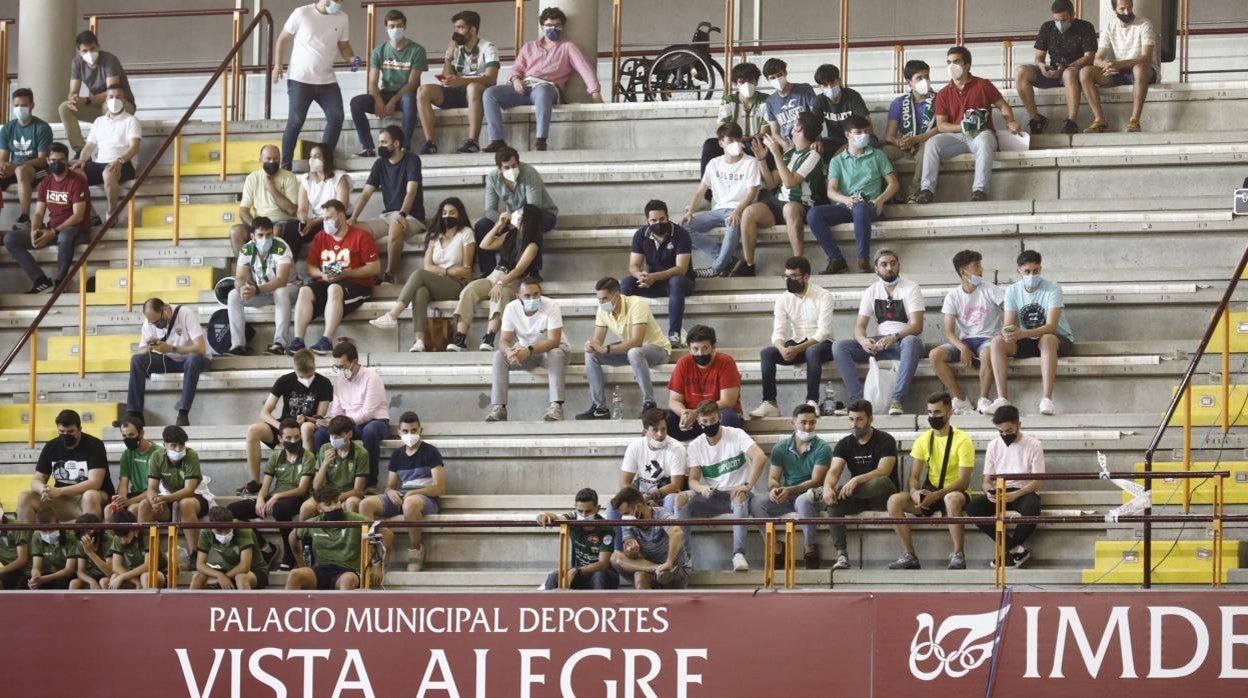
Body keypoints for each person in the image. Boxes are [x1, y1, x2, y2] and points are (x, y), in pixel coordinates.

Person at [481, 6, 602, 153]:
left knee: (543, 91)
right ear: (542, 26)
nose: (553, 28)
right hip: (524, 86)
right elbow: (517, 68)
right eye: (549, 25)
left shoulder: (567, 47)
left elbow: (585, 68)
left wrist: (595, 92)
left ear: (562, 27)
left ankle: (541, 141)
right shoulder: (529, 47)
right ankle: (497, 140)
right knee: (490, 93)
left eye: (557, 25)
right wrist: (515, 79)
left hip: (547, 87)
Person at [914, 46, 1022, 204]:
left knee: (985, 140)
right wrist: (964, 126)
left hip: (981, 134)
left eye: (956, 61)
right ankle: (926, 190)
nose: (951, 66)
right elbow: (942, 125)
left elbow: (1002, 105)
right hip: (956, 137)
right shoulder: (943, 93)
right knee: (932, 142)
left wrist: (1010, 121)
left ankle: (979, 191)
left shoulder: (983, 85)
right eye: (948, 62)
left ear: (967, 65)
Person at [370, 197, 476, 352]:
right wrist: (448, 270)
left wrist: (447, 272)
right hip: (438, 281)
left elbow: (465, 271)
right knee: (420, 291)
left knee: (420, 274)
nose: (448, 216)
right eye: (444, 213)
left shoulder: (466, 233)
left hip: (456, 284)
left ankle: (393, 315)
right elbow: (428, 265)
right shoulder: (435, 236)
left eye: (452, 212)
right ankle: (419, 341)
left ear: (460, 215)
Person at [886, 392, 974, 570]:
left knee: (952, 499)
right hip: (930, 493)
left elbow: (963, 482)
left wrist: (936, 495)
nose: (932, 417)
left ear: (949, 413)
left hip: (954, 492)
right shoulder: (923, 440)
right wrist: (914, 492)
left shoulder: (963, 440)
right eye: (930, 412)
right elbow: (914, 477)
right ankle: (909, 555)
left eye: (937, 412)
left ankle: (958, 554)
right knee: (894, 500)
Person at [831, 249, 925, 416]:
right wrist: (863, 341)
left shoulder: (911, 288)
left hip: (902, 342)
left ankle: (897, 400)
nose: (889, 268)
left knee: (912, 341)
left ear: (898, 266)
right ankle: (857, 402)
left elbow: (917, 326)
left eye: (893, 263)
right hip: (880, 343)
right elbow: (859, 326)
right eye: (884, 264)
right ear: (876, 269)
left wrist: (895, 337)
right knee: (839, 347)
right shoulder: (871, 291)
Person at [677, 400, 768, 572]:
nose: (709, 425)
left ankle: (738, 554)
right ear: (699, 422)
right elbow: (693, 480)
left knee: (739, 495)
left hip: (739, 493)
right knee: (680, 499)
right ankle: (685, 558)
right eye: (704, 422)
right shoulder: (696, 445)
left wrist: (748, 485)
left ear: (720, 417)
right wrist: (702, 489)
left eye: (712, 420)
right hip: (714, 496)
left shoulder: (736, 434)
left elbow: (760, 457)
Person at [806, 115, 899, 274]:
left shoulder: (877, 155)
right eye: (858, 132)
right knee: (814, 214)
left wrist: (881, 199)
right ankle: (836, 259)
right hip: (846, 205)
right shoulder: (837, 161)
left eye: (865, 131)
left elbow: (893, 183)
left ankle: (863, 260)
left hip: (870, 205)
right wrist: (846, 199)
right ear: (847, 134)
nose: (863, 135)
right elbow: (831, 190)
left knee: (860, 208)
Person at [988, 249, 1075, 416]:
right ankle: (1002, 399)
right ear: (1018, 271)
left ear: (1040, 269)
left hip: (1057, 340)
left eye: (1036, 271)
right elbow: (1008, 323)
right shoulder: (1012, 290)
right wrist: (1008, 333)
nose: (1032, 275)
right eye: (1027, 271)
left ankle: (1047, 399)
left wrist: (1021, 334)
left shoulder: (1053, 289)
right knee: (997, 342)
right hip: (1028, 339)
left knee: (1047, 339)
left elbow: (1051, 327)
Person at [274, 0, 358, 171]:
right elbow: (282, 39)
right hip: (300, 78)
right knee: (296, 120)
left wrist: (351, 58)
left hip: (327, 79)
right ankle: (285, 165)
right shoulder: (302, 13)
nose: (338, 3)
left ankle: (324, 159)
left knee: (336, 117)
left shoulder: (342, 18)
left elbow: (344, 45)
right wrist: (278, 65)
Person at [290, 199, 381, 354]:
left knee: (334, 288)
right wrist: (322, 275)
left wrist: (346, 273)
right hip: (327, 281)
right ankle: (298, 340)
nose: (325, 222)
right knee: (305, 291)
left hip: (356, 285)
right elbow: (311, 268)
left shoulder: (361, 236)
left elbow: (375, 268)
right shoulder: (320, 237)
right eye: (323, 218)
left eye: (328, 218)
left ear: (341, 217)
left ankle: (326, 340)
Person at [749, 256, 835, 419]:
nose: (789, 280)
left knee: (812, 352)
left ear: (806, 276)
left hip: (823, 344)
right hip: (797, 342)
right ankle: (770, 403)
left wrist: (797, 349)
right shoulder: (783, 299)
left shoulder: (824, 295)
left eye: (794, 276)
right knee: (767, 353)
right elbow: (778, 332)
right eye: (787, 276)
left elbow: (824, 332)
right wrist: (782, 348)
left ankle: (811, 401)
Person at [359, 412, 445, 572]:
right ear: (399, 432)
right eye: (405, 431)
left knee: (410, 504)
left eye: (414, 430)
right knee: (365, 504)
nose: (410, 434)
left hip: (425, 498)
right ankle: (373, 554)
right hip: (402, 495)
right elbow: (390, 485)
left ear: (421, 430)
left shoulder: (431, 452)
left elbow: (439, 488)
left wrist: (413, 493)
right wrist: (390, 491)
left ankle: (415, 550)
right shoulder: (397, 455)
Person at [239, 349, 332, 495]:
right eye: (302, 376)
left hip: (306, 425)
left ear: (314, 367)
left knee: (307, 427)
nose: (306, 379)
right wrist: (280, 427)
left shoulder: (324, 383)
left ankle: (305, 478)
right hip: (285, 424)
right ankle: (255, 481)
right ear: (295, 369)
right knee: (253, 430)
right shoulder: (285, 380)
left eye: (309, 375)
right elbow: (264, 412)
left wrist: (307, 418)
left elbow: (320, 417)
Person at [452, 203, 543, 352]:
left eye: (519, 212)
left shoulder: (532, 245)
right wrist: (499, 224)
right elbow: (484, 244)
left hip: (511, 281)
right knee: (469, 290)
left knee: (499, 296)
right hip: (494, 275)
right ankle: (460, 338)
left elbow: (519, 269)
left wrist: (501, 283)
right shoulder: (510, 235)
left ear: (526, 219)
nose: (515, 214)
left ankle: (489, 337)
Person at [821, 399, 900, 571]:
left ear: (870, 419)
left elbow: (883, 471)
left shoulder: (886, 440)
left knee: (879, 482)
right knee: (833, 502)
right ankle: (841, 554)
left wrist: (855, 480)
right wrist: (828, 487)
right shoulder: (845, 443)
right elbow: (834, 471)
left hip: (883, 496)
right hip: (859, 497)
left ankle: (823, 493)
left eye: (859, 419)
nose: (854, 424)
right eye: (851, 419)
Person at [229, 418, 316, 570]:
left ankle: (289, 554)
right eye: (288, 438)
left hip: (296, 498)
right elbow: (266, 484)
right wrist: (260, 499)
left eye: (296, 437)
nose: (293, 441)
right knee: (232, 509)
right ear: (280, 439)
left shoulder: (307, 456)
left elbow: (302, 489)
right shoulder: (276, 457)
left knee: (280, 509)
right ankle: (265, 548)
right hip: (276, 497)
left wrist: (276, 496)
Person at [578, 277, 671, 419]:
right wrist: (591, 345)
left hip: (657, 350)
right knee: (591, 355)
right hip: (631, 353)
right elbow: (598, 339)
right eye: (599, 299)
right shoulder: (602, 310)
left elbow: (637, 341)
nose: (601, 303)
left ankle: (649, 403)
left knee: (634, 352)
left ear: (616, 295)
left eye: (604, 299)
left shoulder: (637, 304)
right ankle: (600, 407)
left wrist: (608, 349)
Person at [3, 142, 91, 293]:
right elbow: (38, 213)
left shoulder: (77, 181)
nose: (56, 164)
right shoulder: (46, 181)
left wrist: (54, 231)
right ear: (48, 161)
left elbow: (78, 216)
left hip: (76, 231)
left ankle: (60, 281)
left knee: (65, 235)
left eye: (61, 160)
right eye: (53, 160)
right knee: (10, 239)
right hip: (52, 230)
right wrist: (34, 229)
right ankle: (40, 280)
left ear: (67, 160)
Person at [740, 112, 824, 268]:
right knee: (749, 212)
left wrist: (776, 153)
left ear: (799, 128)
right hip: (777, 203)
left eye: (795, 123)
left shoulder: (813, 155)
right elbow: (771, 184)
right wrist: (761, 159)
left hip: (800, 204)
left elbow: (790, 182)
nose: (792, 127)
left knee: (790, 208)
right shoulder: (790, 152)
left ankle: (798, 263)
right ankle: (749, 264)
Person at [750, 404, 829, 569]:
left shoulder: (823, 448)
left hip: (813, 495)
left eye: (812, 423)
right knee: (756, 502)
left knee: (803, 501)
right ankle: (776, 547)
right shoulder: (780, 448)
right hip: (788, 494)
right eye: (803, 422)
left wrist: (789, 490)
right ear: (793, 423)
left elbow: (816, 481)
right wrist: (774, 489)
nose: (808, 427)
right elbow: (773, 478)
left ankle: (809, 547)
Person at [966, 405, 1045, 568]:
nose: (1004, 435)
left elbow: (1037, 482)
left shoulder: (1034, 445)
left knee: (1032, 509)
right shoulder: (993, 445)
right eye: (1000, 432)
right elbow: (986, 481)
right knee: (973, 508)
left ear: (1019, 425)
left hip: (1024, 492)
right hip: (1000, 491)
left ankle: (1010, 552)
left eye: (1008, 431)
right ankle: (1015, 549)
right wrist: (989, 491)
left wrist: (1015, 495)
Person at [680, 122, 761, 278]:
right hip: (717, 210)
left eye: (738, 140)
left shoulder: (750, 162)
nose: (736, 144)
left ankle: (717, 267)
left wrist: (738, 211)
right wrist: (690, 212)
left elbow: (752, 192)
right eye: (730, 140)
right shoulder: (714, 163)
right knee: (683, 228)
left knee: (732, 224)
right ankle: (727, 260)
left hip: (739, 210)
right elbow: (700, 191)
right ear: (721, 143)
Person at [931, 250, 1004, 416]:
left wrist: (1006, 330)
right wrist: (962, 348)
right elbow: (949, 332)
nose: (981, 269)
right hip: (965, 341)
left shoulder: (990, 289)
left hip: (988, 338)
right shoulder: (953, 296)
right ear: (963, 271)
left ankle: (983, 399)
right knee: (935, 355)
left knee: (987, 353)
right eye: (976, 265)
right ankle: (961, 398)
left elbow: (1009, 309)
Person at [349, 125, 425, 283]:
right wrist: (353, 218)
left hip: (411, 216)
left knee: (396, 226)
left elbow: (411, 192)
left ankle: (389, 274)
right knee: (351, 229)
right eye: (379, 142)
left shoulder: (412, 160)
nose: (380, 146)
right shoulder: (379, 164)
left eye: (384, 142)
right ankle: (366, 273)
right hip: (387, 216)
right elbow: (365, 194)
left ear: (396, 144)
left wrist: (402, 215)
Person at [486, 276, 568, 422]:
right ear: (518, 296)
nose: (532, 298)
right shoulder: (511, 308)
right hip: (527, 352)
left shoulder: (552, 306)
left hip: (553, 352)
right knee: (499, 356)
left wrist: (528, 350)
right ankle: (499, 408)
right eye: (527, 296)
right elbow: (503, 341)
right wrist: (509, 351)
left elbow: (554, 341)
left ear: (540, 293)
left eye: (536, 294)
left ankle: (556, 406)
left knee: (555, 353)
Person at [417, 10, 500, 154]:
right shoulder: (455, 48)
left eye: (460, 28)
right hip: (457, 91)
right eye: (455, 28)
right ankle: (429, 142)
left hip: (478, 93)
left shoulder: (488, 47)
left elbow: (491, 78)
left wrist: (462, 81)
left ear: (472, 30)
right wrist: (448, 58)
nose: (456, 32)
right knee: (422, 90)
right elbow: (446, 78)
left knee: (472, 87)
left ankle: (472, 142)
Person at [312, 342, 390, 486]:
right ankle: (325, 479)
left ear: (354, 362)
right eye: (336, 367)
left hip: (375, 421)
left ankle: (370, 482)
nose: (340, 370)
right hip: (349, 424)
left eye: (342, 366)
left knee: (370, 432)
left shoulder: (371, 378)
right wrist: (329, 421)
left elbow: (368, 412)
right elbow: (336, 411)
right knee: (320, 433)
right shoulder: (339, 382)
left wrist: (342, 422)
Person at [1016, 0, 1097, 135]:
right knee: (1020, 71)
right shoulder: (1047, 27)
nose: (1060, 23)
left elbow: (1089, 56)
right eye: (1056, 20)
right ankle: (1035, 119)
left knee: (1068, 74)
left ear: (1073, 15)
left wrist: (1067, 67)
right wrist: (1042, 67)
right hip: (1053, 70)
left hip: (1074, 70)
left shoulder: (1085, 27)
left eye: (1064, 19)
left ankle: (1071, 121)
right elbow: (1039, 57)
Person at [351, 10, 425, 157]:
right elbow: (372, 82)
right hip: (385, 94)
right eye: (391, 26)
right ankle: (368, 147)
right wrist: (378, 100)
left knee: (410, 98)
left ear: (404, 27)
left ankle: (404, 147)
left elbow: (412, 83)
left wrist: (392, 101)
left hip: (405, 96)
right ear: (386, 28)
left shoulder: (417, 50)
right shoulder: (379, 51)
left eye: (399, 25)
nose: (395, 29)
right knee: (356, 103)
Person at [126, 297, 210, 427]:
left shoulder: (185, 314)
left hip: (197, 361)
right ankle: (134, 414)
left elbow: (200, 348)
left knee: (192, 358)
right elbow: (141, 351)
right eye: (152, 322)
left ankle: (183, 413)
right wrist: (150, 347)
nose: (156, 324)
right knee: (137, 360)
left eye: (158, 321)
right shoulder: (149, 323)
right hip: (171, 361)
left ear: (165, 309)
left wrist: (171, 348)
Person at [17, 409, 113, 523]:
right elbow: (37, 479)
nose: (66, 435)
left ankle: (89, 539)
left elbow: (95, 483)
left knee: (90, 495)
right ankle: (23, 540)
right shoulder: (51, 446)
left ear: (79, 429)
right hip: (62, 498)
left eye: (70, 431)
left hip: (88, 497)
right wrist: (42, 489)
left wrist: (60, 491)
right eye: (62, 431)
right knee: (25, 497)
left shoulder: (94, 445)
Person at [620, 200, 694, 347]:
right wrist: (640, 275)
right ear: (647, 220)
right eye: (653, 220)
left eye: (661, 219)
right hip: (653, 282)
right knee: (626, 284)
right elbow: (633, 265)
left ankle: (674, 335)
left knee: (676, 282)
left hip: (681, 282)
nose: (658, 223)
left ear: (667, 216)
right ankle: (630, 336)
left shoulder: (681, 234)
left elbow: (681, 269)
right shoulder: (641, 235)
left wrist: (654, 277)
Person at [473, 147, 557, 275]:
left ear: (518, 162)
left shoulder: (529, 173)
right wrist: (504, 220)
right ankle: (488, 271)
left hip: (543, 214)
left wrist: (513, 220)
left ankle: (534, 271)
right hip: (513, 218)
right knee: (482, 225)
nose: (511, 170)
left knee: (532, 222)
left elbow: (533, 207)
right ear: (499, 168)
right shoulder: (492, 178)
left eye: (514, 165)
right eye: (506, 167)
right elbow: (489, 210)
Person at [289, 485, 391, 590]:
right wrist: (301, 564)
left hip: (348, 571)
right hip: (321, 570)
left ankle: (342, 606)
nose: (334, 507)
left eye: (336, 502)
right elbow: (292, 537)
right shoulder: (313, 523)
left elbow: (387, 533)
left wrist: (380, 565)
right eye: (328, 504)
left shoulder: (355, 519)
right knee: (294, 575)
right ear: (320, 509)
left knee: (347, 580)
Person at [1080, 0, 1158, 134]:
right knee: (1085, 72)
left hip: (1144, 71)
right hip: (1119, 70)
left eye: (1129, 8)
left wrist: (1120, 64)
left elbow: (1146, 58)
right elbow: (1097, 58)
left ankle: (1134, 121)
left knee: (1139, 68)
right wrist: (1106, 64)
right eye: (1122, 9)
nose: (1127, 12)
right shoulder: (1110, 26)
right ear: (1114, 8)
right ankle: (1100, 120)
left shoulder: (1144, 24)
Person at [224, 217, 299, 356]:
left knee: (280, 291)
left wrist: (256, 289)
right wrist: (242, 288)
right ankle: (238, 344)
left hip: (290, 289)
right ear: (252, 236)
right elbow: (239, 277)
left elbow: (281, 280)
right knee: (233, 295)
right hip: (263, 292)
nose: (265, 239)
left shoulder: (280, 246)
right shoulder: (247, 249)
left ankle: (279, 344)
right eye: (260, 235)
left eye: (269, 234)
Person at [141, 425, 214, 559]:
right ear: (164, 445)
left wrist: (163, 500)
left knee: (185, 504)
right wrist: (154, 500)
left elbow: (189, 490)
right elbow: (151, 488)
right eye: (173, 445)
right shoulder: (156, 457)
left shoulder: (191, 455)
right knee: (145, 505)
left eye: (181, 445)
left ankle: (194, 555)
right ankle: (148, 555)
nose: (178, 449)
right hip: (168, 497)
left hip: (196, 496)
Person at [58, 30, 136, 154]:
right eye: (85, 51)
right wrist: (73, 99)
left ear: (98, 46)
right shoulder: (77, 63)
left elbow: (112, 93)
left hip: (123, 105)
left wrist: (88, 100)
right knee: (65, 108)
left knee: (108, 105)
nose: (90, 53)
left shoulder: (110, 60)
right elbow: (73, 91)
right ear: (79, 51)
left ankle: (106, 149)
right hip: (98, 107)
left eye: (92, 49)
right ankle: (80, 150)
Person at [71, 84, 140, 217]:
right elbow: (89, 146)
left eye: (118, 97)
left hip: (123, 163)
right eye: (111, 97)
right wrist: (81, 160)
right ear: (106, 100)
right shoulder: (99, 121)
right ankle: (91, 215)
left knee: (108, 174)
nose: (114, 100)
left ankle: (111, 212)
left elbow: (134, 147)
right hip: (100, 163)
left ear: (124, 100)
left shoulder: (131, 121)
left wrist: (119, 161)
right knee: (76, 174)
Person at [666, 325, 744, 440]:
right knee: (663, 420)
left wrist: (697, 413)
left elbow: (728, 402)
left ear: (713, 347)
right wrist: (684, 413)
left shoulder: (726, 362)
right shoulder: (683, 363)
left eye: (705, 348)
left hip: (718, 417)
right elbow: (674, 400)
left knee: (729, 417)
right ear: (689, 349)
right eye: (695, 349)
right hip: (693, 422)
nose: (700, 353)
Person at [535, 488, 618, 590]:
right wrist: (544, 515)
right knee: (554, 576)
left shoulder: (606, 528)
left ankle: (598, 604)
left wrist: (576, 570)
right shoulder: (572, 517)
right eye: (580, 511)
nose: (583, 515)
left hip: (604, 575)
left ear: (597, 508)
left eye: (588, 512)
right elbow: (556, 518)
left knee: (599, 575)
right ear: (575, 508)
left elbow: (603, 564)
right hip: (579, 573)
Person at [609, 486, 691, 590]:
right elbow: (630, 555)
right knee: (616, 558)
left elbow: (677, 532)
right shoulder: (627, 522)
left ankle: (663, 570)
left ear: (637, 507)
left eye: (626, 513)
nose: (624, 517)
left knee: (662, 575)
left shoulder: (660, 513)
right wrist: (632, 551)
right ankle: (658, 569)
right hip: (651, 569)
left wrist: (669, 563)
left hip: (676, 569)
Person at [227, 146, 301, 258]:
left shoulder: (289, 177)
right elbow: (243, 210)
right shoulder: (252, 178)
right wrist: (255, 227)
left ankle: (268, 269)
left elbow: (291, 210)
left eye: (276, 159)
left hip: (282, 222)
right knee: (235, 231)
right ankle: (245, 269)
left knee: (275, 230)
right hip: (259, 223)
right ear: (260, 160)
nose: (272, 162)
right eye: (268, 159)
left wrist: (271, 188)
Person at [615, 408, 689, 513]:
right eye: (655, 430)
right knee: (612, 508)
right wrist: (639, 499)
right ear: (645, 431)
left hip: (665, 495)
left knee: (672, 500)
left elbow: (676, 485)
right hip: (641, 495)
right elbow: (624, 482)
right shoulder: (634, 447)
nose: (660, 434)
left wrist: (650, 497)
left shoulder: (677, 448)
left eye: (663, 429)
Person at [704, 62, 768, 183]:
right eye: (742, 82)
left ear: (756, 81)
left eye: (751, 81)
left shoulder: (766, 100)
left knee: (752, 145)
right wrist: (737, 140)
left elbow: (764, 133)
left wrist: (746, 139)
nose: (747, 85)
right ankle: (707, 194)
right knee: (709, 145)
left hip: (755, 143)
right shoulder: (729, 100)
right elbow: (722, 129)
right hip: (732, 141)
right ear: (735, 84)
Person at [883, 60, 938, 200]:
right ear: (909, 82)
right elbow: (889, 135)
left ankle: (915, 192)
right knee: (882, 153)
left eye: (927, 77)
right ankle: (895, 193)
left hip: (927, 144)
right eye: (919, 78)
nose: (924, 81)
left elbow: (941, 128)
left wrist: (917, 139)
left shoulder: (939, 99)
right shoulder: (899, 103)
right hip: (905, 146)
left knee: (927, 150)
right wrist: (899, 142)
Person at [0, 88, 53, 228]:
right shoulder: (7, 129)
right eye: (16, 105)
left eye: (23, 105)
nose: (19, 108)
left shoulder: (42, 127)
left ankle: (24, 217)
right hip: (14, 168)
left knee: (20, 170)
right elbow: (3, 157)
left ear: (32, 106)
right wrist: (3, 166)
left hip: (37, 170)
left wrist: (15, 167)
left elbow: (43, 159)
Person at [302, 416, 369, 521]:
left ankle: (349, 536)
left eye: (338, 436)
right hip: (325, 494)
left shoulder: (361, 453)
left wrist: (335, 500)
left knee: (352, 503)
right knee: (306, 507)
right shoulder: (325, 448)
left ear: (349, 434)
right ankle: (304, 536)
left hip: (347, 494)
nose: (333, 439)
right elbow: (316, 486)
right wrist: (324, 464)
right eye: (331, 436)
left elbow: (358, 490)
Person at [190, 507, 269, 590]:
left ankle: (246, 603)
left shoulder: (243, 529)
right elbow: (200, 565)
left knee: (241, 578)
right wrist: (219, 575)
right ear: (211, 526)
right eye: (219, 531)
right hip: (226, 570)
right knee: (197, 578)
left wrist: (223, 578)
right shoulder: (206, 532)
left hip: (253, 571)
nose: (224, 534)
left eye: (227, 530)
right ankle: (191, 603)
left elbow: (244, 566)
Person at [811, 63, 873, 154]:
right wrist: (817, 140)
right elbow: (814, 127)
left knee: (873, 145)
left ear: (839, 81)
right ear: (820, 87)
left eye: (833, 83)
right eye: (825, 85)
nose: (830, 88)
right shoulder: (819, 100)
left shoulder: (853, 96)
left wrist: (853, 144)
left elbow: (867, 124)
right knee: (815, 148)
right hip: (835, 140)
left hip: (858, 137)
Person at [111, 416, 163, 522]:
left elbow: (155, 489)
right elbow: (123, 483)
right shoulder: (127, 454)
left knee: (133, 509)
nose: (128, 439)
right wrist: (121, 500)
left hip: (154, 495)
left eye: (131, 435)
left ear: (141, 433)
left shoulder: (158, 453)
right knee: (109, 510)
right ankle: (115, 539)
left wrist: (129, 502)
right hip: (135, 494)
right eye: (124, 436)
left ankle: (136, 538)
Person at [296, 143, 352, 241]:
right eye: (311, 157)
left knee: (327, 228)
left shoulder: (340, 177)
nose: (312, 160)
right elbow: (302, 209)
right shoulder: (305, 179)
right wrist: (304, 219)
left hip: (337, 218)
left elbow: (341, 207)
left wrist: (315, 222)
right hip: (317, 220)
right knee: (291, 229)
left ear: (326, 159)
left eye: (317, 156)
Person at [761, 58, 818, 146]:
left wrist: (817, 140)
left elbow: (816, 117)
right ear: (767, 79)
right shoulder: (770, 102)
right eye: (772, 77)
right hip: (788, 144)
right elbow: (775, 133)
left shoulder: (804, 89)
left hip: (809, 141)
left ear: (785, 73)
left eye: (780, 75)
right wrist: (784, 145)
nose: (777, 79)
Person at [104, 508, 165, 589]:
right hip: (135, 574)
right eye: (120, 538)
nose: (123, 541)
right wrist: (136, 582)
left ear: (135, 530)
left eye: (126, 536)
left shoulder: (147, 535)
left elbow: (148, 565)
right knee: (114, 577)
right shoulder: (118, 538)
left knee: (145, 577)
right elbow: (116, 566)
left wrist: (123, 576)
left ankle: (147, 601)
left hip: (160, 572)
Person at [27, 509, 79, 590]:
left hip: (65, 575)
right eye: (43, 531)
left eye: (50, 529)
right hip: (47, 573)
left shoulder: (71, 537)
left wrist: (44, 579)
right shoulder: (37, 536)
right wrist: (35, 578)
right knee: (26, 583)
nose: (47, 533)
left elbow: (69, 570)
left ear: (58, 523)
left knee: (60, 583)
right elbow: (36, 567)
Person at [71, 513, 115, 589]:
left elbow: (110, 573)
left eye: (88, 531)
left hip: (105, 576)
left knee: (104, 581)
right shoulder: (81, 541)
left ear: (97, 529)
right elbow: (80, 572)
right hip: (91, 576)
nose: (85, 535)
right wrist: (91, 581)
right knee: (74, 583)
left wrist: (90, 553)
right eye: (81, 532)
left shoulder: (108, 540)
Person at [0, 506, 32, 590]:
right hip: (9, 571)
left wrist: (1, 571)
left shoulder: (16, 526)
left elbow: (22, 559)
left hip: (27, 572)